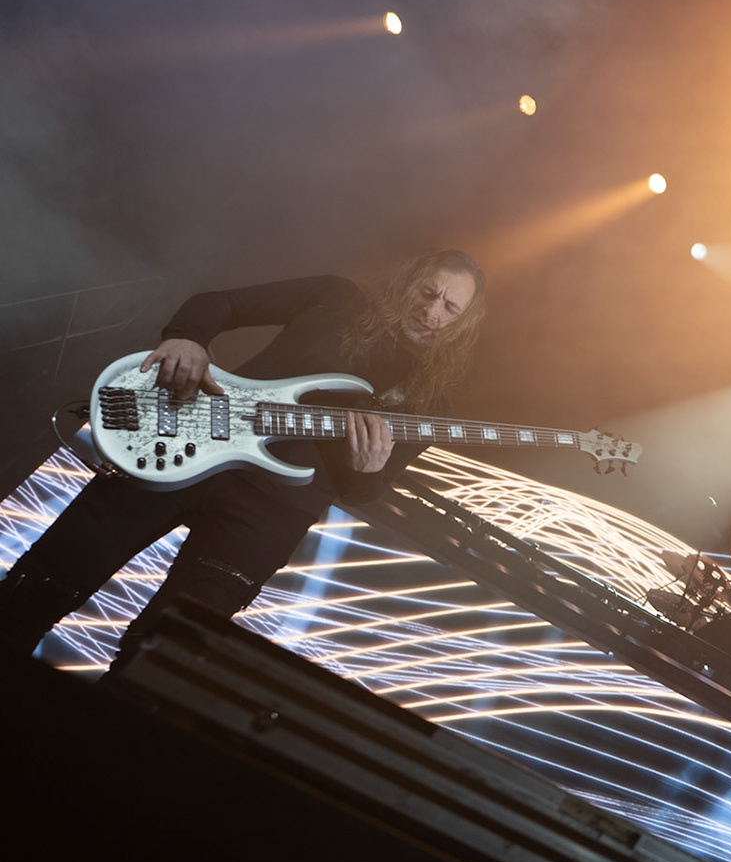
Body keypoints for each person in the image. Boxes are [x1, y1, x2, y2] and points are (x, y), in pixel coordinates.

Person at [0, 249, 486, 663]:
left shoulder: (429, 402)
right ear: (406, 284)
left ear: (462, 323)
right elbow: (220, 302)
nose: (432, 311)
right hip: (186, 443)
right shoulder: (337, 297)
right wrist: (188, 337)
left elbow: (365, 491)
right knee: (43, 583)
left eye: (450, 307)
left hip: (267, 515)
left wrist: (368, 469)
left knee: (165, 652)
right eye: (427, 292)